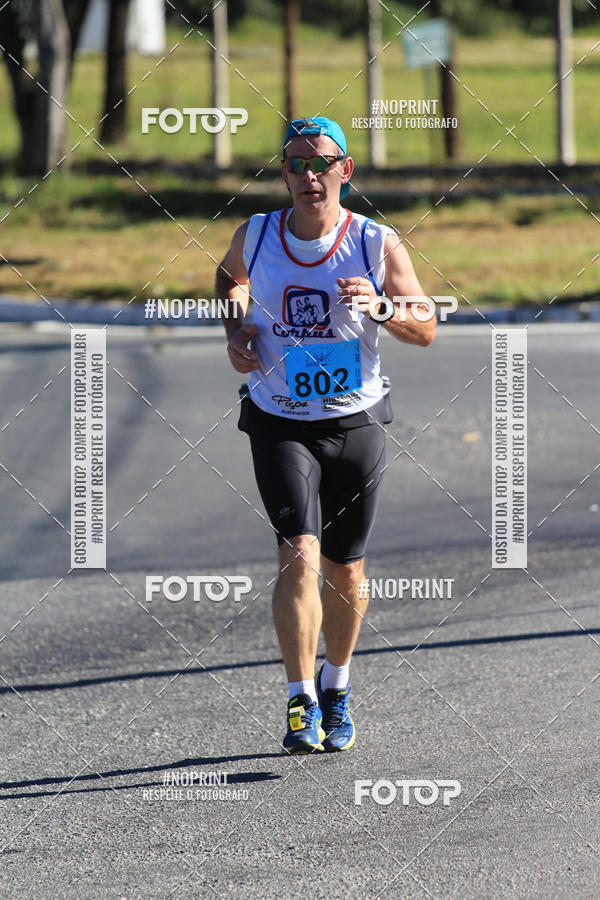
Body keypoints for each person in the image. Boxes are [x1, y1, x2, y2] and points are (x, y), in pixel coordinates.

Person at [216, 116, 435, 754]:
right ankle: (299, 698)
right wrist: (236, 331)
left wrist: (381, 307)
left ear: (346, 171)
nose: (309, 176)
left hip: (356, 423)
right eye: (296, 165)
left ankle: (335, 686)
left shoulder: (374, 242)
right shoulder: (255, 234)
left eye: (322, 163)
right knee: (299, 556)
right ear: (283, 174)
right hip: (280, 422)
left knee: (346, 569)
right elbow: (230, 281)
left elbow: (425, 326)